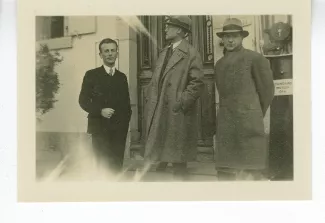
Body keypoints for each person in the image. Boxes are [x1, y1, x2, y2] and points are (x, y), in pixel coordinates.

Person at [143, 16, 204, 181]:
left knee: (178, 157)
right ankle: (163, 165)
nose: (164, 29)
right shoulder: (165, 51)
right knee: (162, 143)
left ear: (179, 30)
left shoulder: (191, 53)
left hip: (177, 109)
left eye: (168, 26)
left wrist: (182, 101)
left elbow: (197, 82)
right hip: (160, 104)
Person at [214, 18, 275, 181]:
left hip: (249, 123)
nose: (230, 40)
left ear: (242, 37)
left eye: (234, 36)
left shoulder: (255, 58)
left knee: (250, 171)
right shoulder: (219, 65)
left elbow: (267, 90)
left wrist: (253, 111)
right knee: (227, 172)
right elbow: (223, 92)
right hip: (227, 122)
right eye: (227, 36)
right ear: (222, 38)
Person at [79, 38, 131, 174]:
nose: (110, 54)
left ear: (117, 53)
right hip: (99, 129)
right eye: (106, 51)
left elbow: (127, 105)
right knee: (102, 167)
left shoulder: (122, 77)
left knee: (116, 167)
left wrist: (124, 125)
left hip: (118, 131)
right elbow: (83, 100)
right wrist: (100, 111)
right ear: (100, 55)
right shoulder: (91, 75)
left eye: (113, 50)